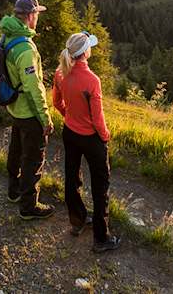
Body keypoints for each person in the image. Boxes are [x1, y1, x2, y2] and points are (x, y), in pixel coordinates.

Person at [52, 31, 119, 252]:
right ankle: (101, 238)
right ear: (85, 52)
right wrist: (105, 136)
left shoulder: (60, 73)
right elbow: (97, 118)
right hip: (91, 138)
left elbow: (56, 102)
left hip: (70, 133)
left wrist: (68, 116)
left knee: (72, 177)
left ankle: (78, 221)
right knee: (100, 186)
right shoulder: (92, 80)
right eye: (90, 46)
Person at [1, 0, 54, 219]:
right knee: (33, 158)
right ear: (30, 16)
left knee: (16, 150)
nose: (38, 18)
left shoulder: (7, 36)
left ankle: (14, 190)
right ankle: (28, 206)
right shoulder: (26, 49)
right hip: (28, 111)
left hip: (14, 106)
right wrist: (45, 118)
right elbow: (34, 88)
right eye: (37, 14)